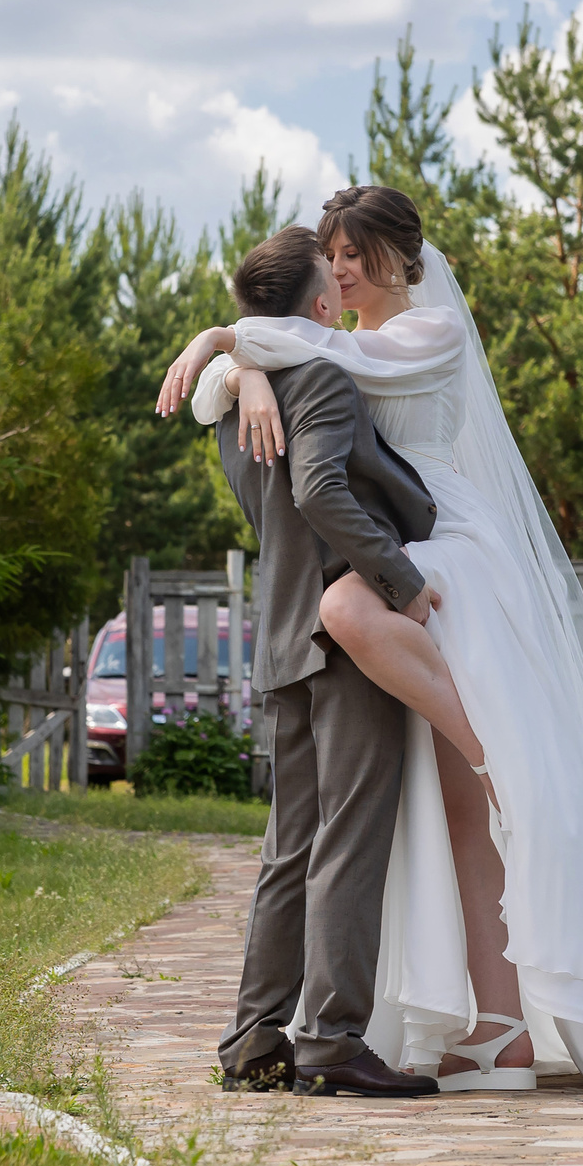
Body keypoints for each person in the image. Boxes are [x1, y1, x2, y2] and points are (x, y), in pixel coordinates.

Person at [161, 188, 583, 1095]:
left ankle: (495, 773)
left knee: (436, 786)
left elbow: (320, 354)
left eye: (358, 252)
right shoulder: (319, 349)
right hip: (393, 557)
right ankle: (496, 1027)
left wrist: (227, 342)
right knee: (438, 816)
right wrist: (241, 363)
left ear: (403, 257)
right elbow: (283, 364)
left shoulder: (428, 330)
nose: (345, 269)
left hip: (442, 545)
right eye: (335, 255)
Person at [204, 226, 443, 1100]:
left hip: (280, 633)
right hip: (343, 637)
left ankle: (253, 1038)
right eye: (329, 283)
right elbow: (319, 490)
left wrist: (239, 359)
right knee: (350, 833)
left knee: (289, 845)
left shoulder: (234, 402)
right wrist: (401, 582)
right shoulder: (326, 380)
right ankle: (332, 1039)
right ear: (315, 305)